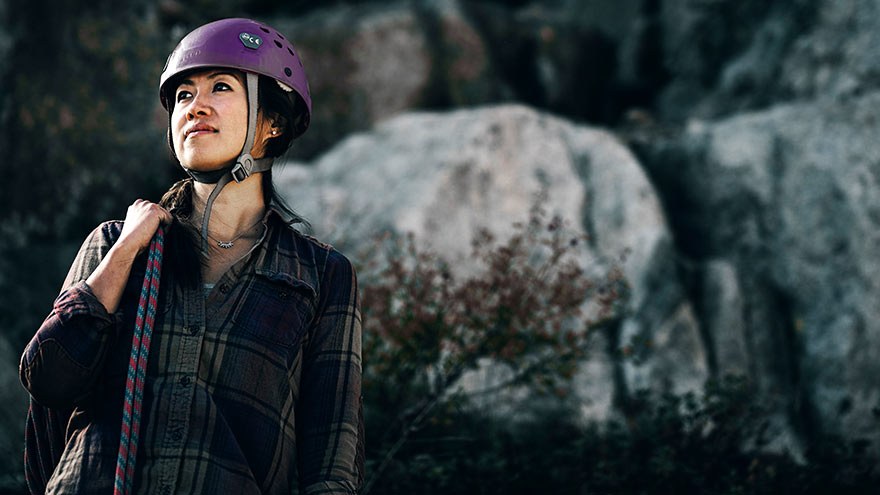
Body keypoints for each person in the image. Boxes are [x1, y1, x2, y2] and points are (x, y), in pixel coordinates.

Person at [20, 18, 363, 494]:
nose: (194, 106)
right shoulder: (114, 243)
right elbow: (48, 382)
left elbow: (331, 464)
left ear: (273, 122)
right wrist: (125, 252)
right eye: (182, 95)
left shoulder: (322, 277)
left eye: (219, 87)